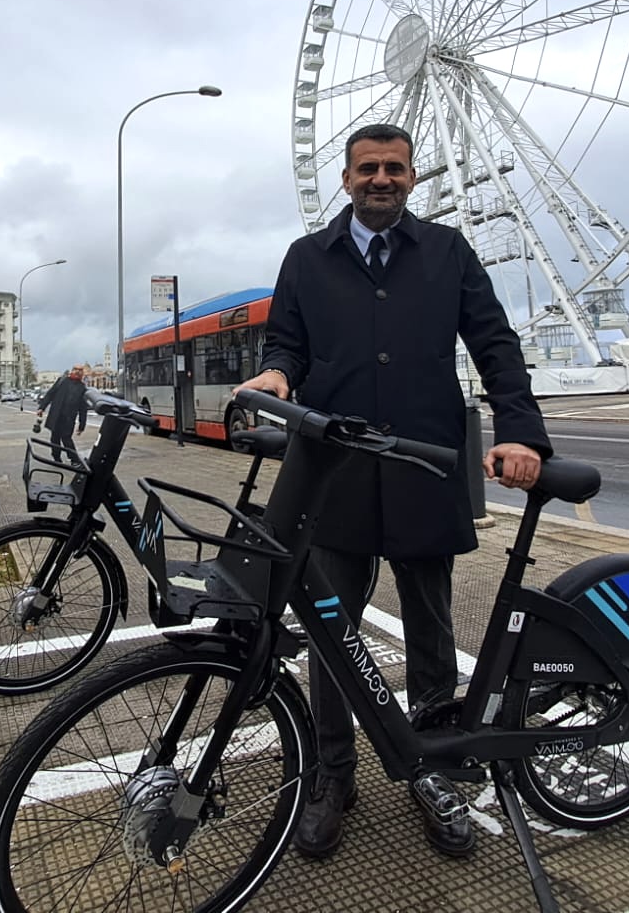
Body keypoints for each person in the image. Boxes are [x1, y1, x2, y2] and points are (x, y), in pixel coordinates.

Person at [235, 123, 550, 863]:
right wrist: (277, 375)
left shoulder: (446, 252)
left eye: (395, 169)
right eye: (368, 169)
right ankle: (330, 774)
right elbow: (284, 342)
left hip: (421, 463)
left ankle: (433, 774)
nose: (382, 179)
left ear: (411, 179)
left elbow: (494, 344)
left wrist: (521, 433)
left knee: (430, 635)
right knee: (329, 636)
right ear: (344, 180)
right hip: (331, 470)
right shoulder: (306, 259)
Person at [36, 365, 87, 462]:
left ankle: (74, 460)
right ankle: (56, 458)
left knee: (66, 438)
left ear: (82, 373)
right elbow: (50, 394)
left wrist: (82, 425)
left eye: (80, 370)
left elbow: (83, 409)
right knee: (55, 438)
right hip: (56, 415)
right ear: (72, 371)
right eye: (75, 369)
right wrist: (42, 408)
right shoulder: (63, 381)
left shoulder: (82, 388)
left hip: (69, 418)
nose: (77, 372)